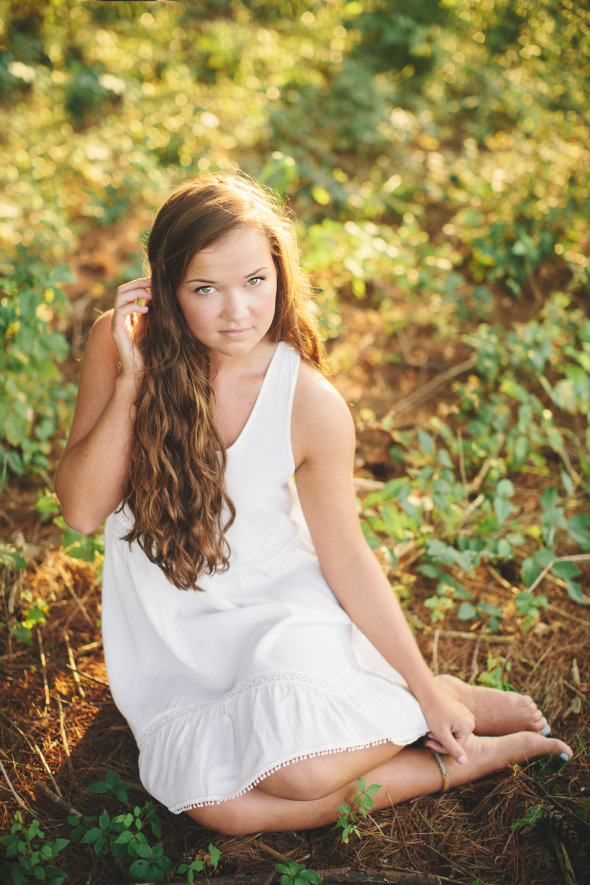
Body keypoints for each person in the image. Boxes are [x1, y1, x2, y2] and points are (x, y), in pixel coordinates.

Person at [55, 172, 571, 836]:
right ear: (165, 287)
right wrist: (131, 376)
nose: (236, 310)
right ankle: (456, 744)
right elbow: (81, 509)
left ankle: (433, 706)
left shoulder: (308, 402)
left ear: (279, 274)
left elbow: (346, 553)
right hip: (172, 629)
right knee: (224, 808)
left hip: (277, 611)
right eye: (205, 289)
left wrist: (422, 681)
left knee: (296, 772)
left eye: (254, 281)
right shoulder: (121, 341)